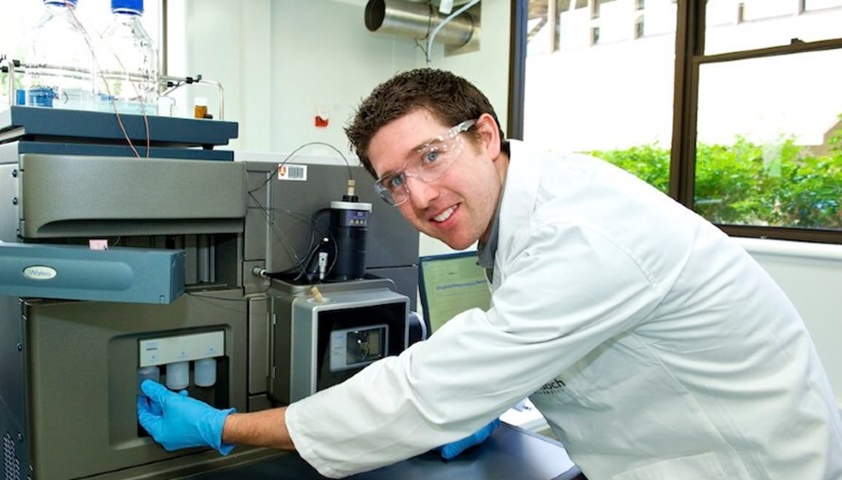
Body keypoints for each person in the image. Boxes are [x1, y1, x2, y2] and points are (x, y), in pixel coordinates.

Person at [138, 68, 842, 479]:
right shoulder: (523, 212)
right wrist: (492, 394)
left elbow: (422, 391)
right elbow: (539, 342)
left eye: (431, 157)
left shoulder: (581, 231)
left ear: (485, 135)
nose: (417, 196)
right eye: (393, 182)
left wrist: (228, 426)